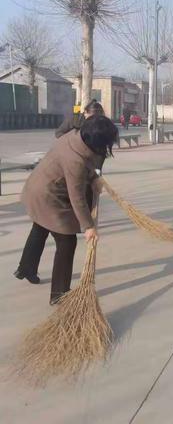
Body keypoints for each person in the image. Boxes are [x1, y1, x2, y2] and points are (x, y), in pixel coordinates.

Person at [14, 116, 119, 304]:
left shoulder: (75, 135)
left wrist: (94, 178)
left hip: (37, 187)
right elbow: (76, 197)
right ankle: (59, 294)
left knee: (40, 227)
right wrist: (88, 226)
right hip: (49, 196)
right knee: (67, 242)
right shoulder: (75, 161)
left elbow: (86, 165)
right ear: (96, 141)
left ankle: (26, 268)